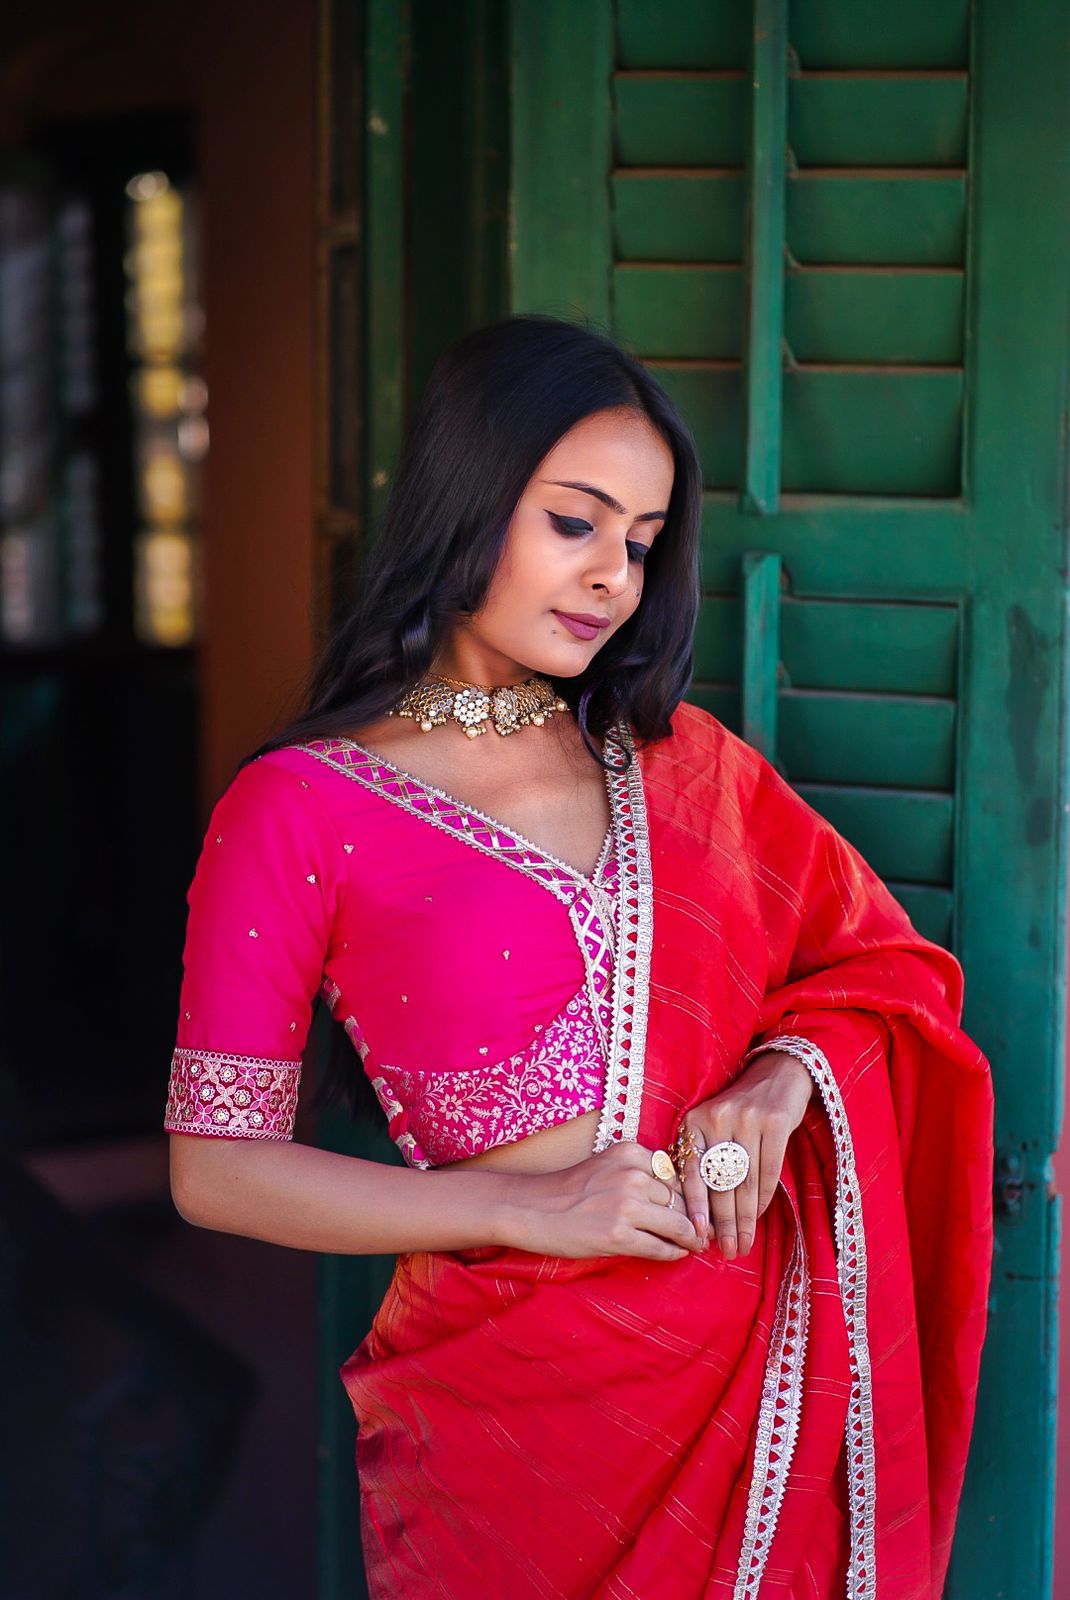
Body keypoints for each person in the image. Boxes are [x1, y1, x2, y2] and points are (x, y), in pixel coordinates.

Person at [164, 313, 994, 1598]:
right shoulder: (299, 807)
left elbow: (884, 971)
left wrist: (777, 1083)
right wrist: (521, 1204)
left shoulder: (686, 768)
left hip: (750, 1385)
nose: (615, 574)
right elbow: (216, 1167)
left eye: (643, 542)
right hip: (506, 1424)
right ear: (467, 498)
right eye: (575, 521)